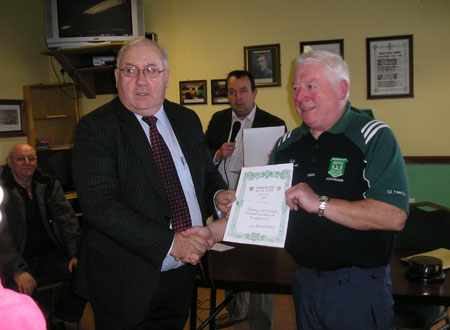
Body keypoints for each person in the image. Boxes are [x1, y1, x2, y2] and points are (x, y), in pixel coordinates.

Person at [71, 38, 235, 330]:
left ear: (167, 76)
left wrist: (217, 194)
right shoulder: (96, 128)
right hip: (124, 277)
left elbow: (203, 172)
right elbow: (100, 205)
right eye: (131, 71)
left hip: (181, 273)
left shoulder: (186, 119)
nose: (142, 80)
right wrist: (173, 243)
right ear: (117, 77)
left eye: (151, 70)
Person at [270, 50, 409, 330]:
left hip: (356, 287)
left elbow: (394, 216)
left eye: (311, 86)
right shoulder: (286, 144)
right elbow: (271, 210)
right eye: (296, 88)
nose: (300, 96)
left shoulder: (375, 136)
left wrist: (320, 203)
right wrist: (221, 221)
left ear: (341, 89)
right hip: (304, 281)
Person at [205, 70, 286, 330]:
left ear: (254, 93)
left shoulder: (274, 123)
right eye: (231, 92)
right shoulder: (218, 121)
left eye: (242, 91)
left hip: (259, 205)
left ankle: (261, 323)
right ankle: (235, 312)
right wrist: (216, 154)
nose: (237, 98)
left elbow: (284, 166)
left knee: (263, 266)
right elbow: (201, 160)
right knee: (230, 261)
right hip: (224, 205)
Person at [0, 143, 86, 329]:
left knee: (84, 275)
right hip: (18, 258)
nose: (27, 162)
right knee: (21, 295)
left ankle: (59, 318)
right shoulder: (2, 190)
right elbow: (2, 238)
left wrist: (75, 254)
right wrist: (17, 271)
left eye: (31, 158)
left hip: (50, 255)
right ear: (9, 161)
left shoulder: (48, 184)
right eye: (20, 158)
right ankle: (39, 323)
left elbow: (68, 222)